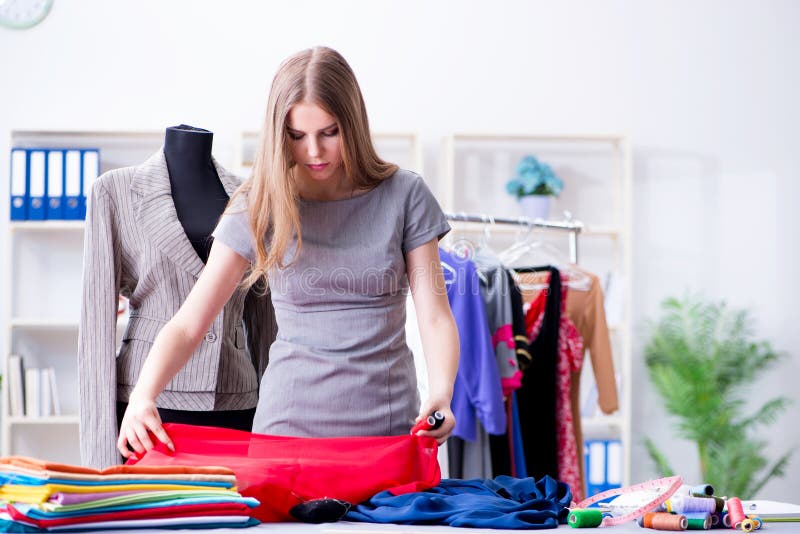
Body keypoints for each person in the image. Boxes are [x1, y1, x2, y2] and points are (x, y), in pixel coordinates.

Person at [117, 46, 459, 459]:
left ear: (352, 123)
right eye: (297, 136)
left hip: (387, 435)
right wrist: (143, 396)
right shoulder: (260, 204)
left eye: (329, 132)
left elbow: (435, 316)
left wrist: (441, 393)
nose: (314, 151)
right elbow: (190, 322)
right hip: (286, 435)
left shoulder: (405, 195)